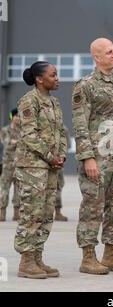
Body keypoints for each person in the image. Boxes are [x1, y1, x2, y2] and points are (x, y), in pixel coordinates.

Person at [72, 38, 113, 275]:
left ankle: (111, 254)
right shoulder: (85, 85)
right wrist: (87, 157)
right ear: (96, 57)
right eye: (108, 52)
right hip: (98, 157)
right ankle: (88, 257)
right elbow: (80, 123)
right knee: (93, 205)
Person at [14, 61, 67, 279]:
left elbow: (62, 132)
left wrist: (61, 154)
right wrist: (50, 156)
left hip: (51, 166)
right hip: (32, 167)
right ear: (39, 79)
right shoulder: (29, 101)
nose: (57, 78)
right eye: (53, 75)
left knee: (46, 214)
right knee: (32, 212)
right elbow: (29, 135)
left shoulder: (54, 103)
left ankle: (37, 257)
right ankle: (26, 261)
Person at [0, 108, 20, 221]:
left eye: (19, 116)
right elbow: (7, 143)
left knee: (19, 190)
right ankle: (2, 212)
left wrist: (16, 141)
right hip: (8, 165)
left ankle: (16, 213)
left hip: (19, 165)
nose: (17, 118)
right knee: (4, 189)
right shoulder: (5, 130)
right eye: (15, 116)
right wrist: (16, 142)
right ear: (12, 117)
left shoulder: (23, 130)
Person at [54, 124, 69, 221]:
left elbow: (65, 143)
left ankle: (58, 212)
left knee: (59, 186)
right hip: (42, 160)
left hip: (58, 160)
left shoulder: (62, 127)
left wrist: (61, 157)